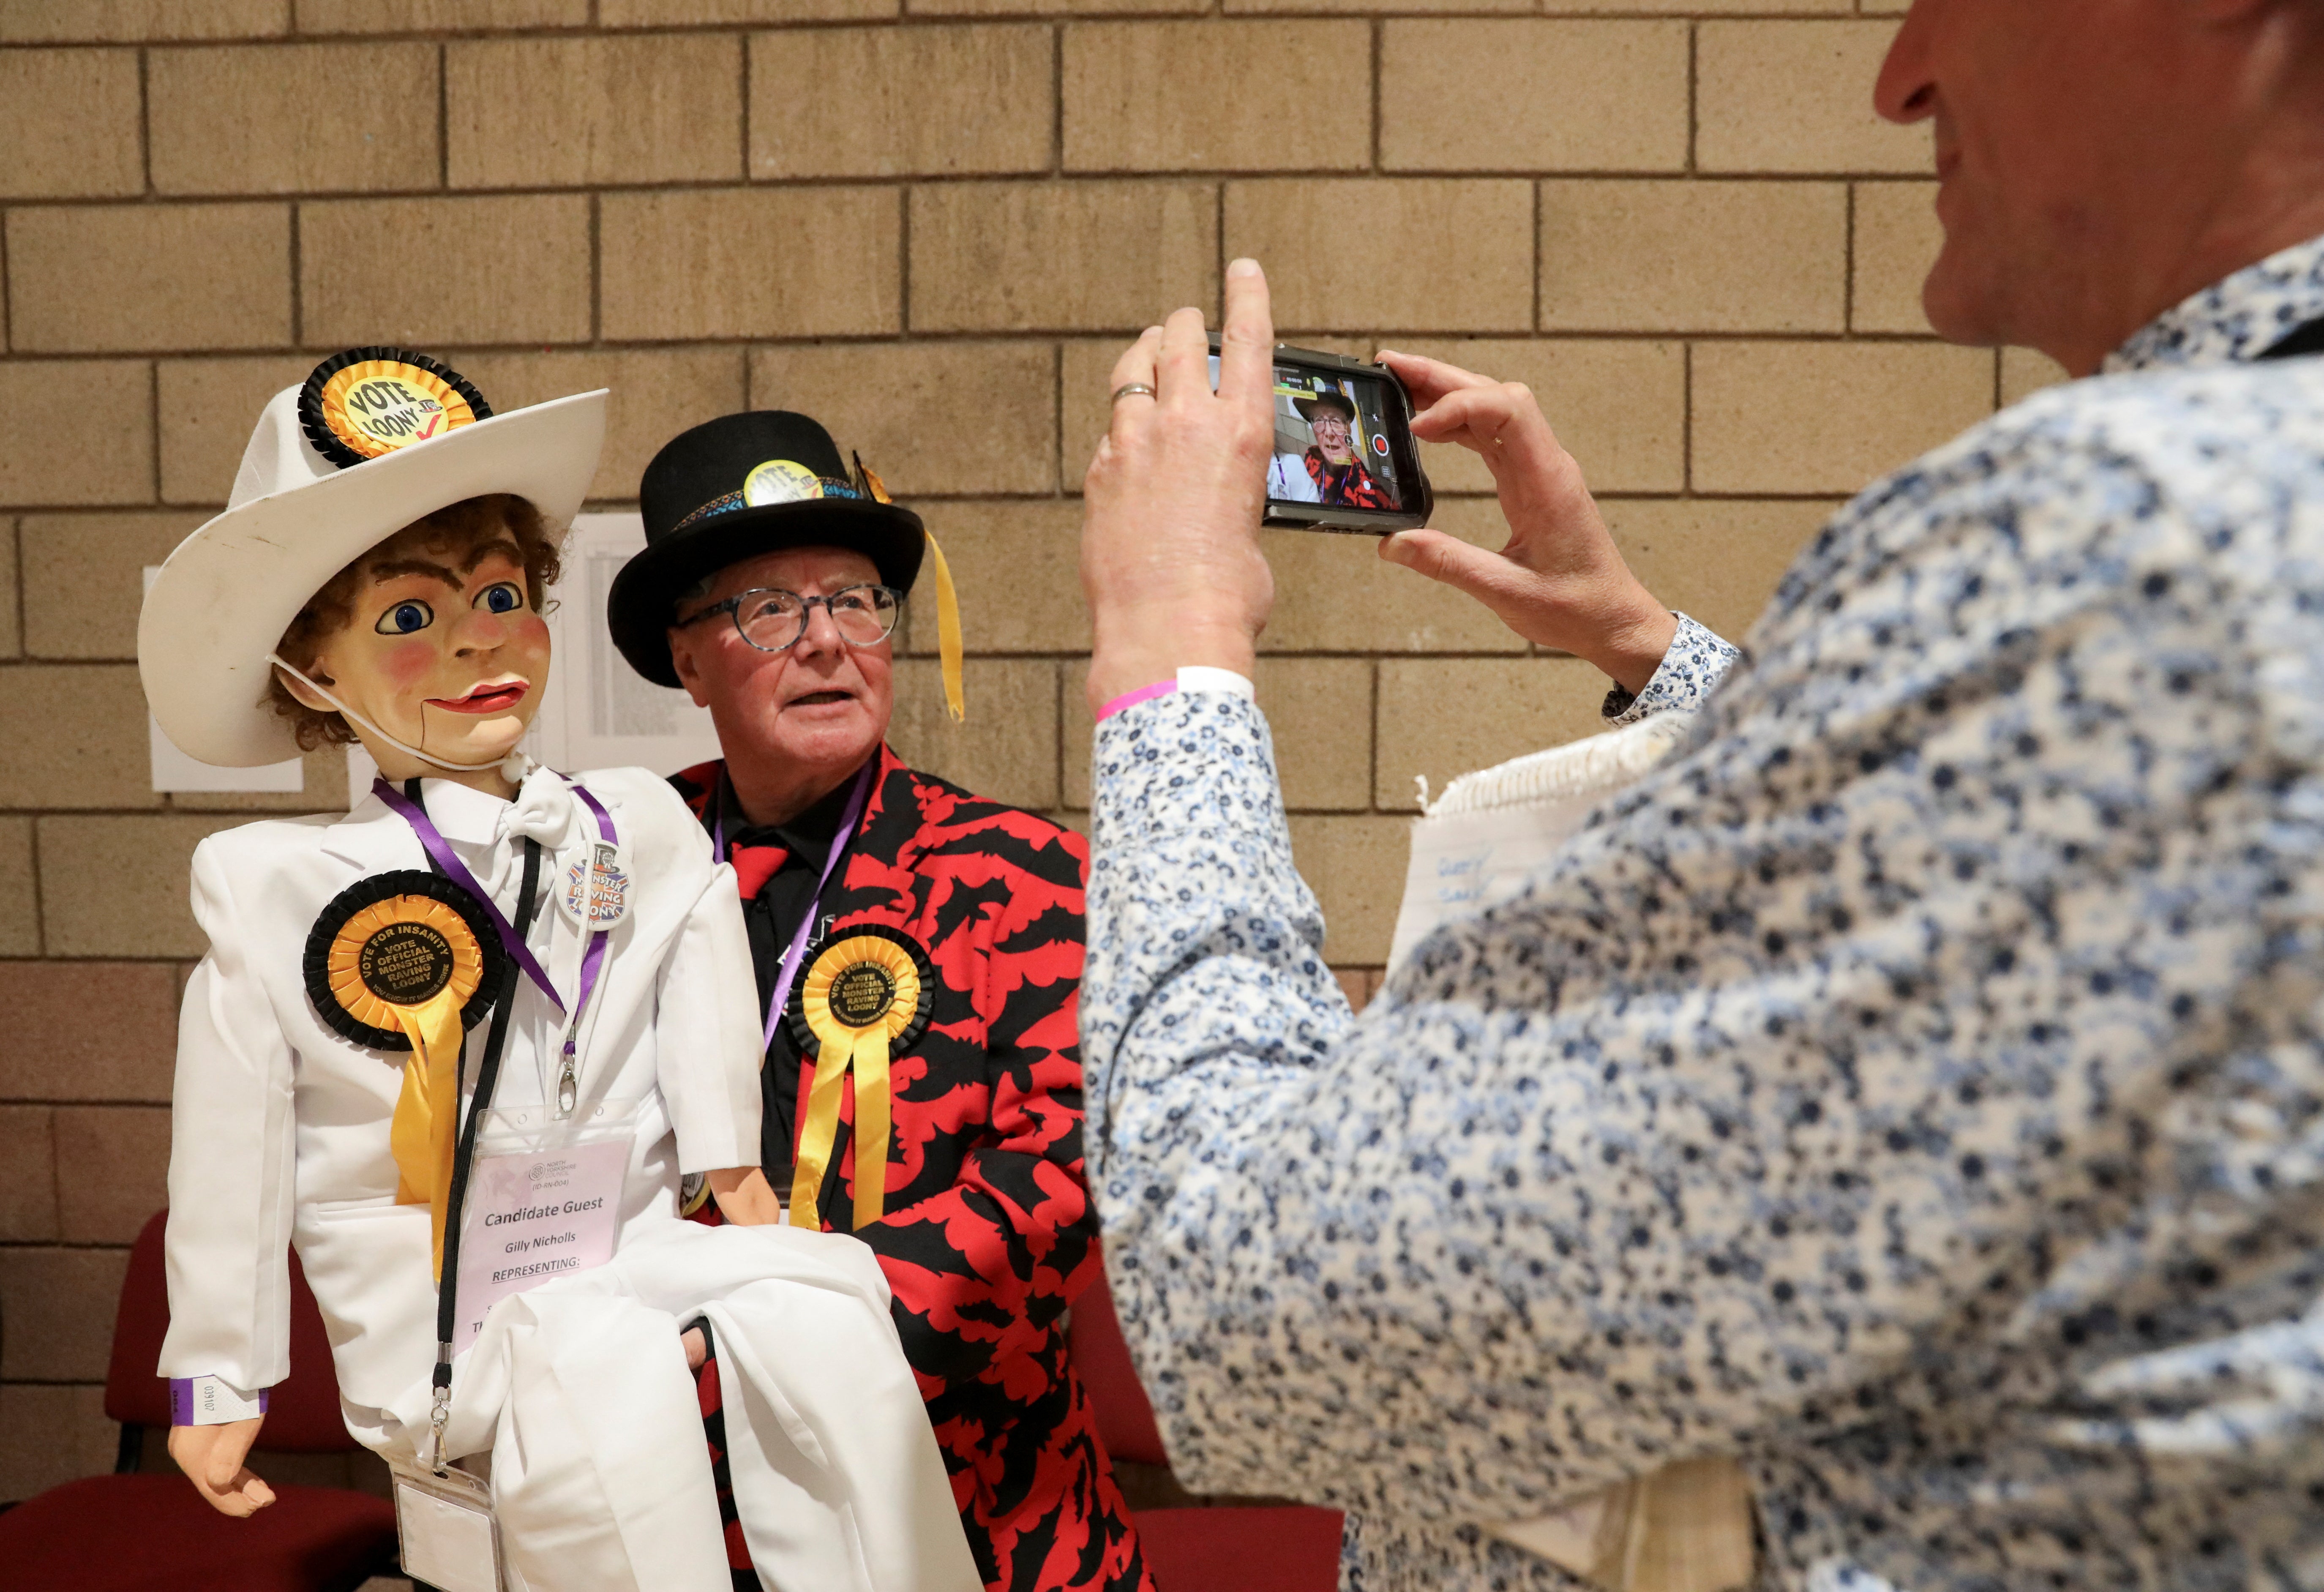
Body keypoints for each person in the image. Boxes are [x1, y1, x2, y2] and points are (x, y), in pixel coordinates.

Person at [1071, 0, 2324, 1588]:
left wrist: (1170, 640)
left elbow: (1249, 1310)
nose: (1900, 75)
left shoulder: (2119, 538)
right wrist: (1657, 653)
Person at [143, 352, 976, 1592]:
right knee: (607, 1418)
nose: (481, 640)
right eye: (410, 618)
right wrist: (220, 1370)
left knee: (825, 1299)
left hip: (628, 1241)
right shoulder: (282, 893)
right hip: (442, 1318)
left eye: (498, 593)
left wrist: (731, 1166)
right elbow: (231, 1147)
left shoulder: (633, 822)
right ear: (307, 673)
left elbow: (697, 954)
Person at [606, 411, 1152, 1592]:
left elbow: (1063, 1169)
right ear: (687, 656)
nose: (826, 642)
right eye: (768, 608)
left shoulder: (1021, 870)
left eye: (853, 600)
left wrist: (780, 1341)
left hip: (974, 1505)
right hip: (683, 1509)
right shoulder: (615, 869)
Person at [1292, 388, 1394, 508]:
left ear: (1349, 429)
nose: (1329, 432)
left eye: (1336, 421)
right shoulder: (1312, 457)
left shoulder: (1373, 498)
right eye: (1319, 420)